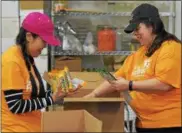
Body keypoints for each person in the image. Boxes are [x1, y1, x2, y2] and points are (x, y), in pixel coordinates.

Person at [84, 3, 181, 133]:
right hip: (144, 124)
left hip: (168, 124)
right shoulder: (139, 54)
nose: (135, 35)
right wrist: (92, 95)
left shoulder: (171, 48)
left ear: (152, 25)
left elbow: (164, 84)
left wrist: (129, 85)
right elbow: (116, 79)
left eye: (137, 29)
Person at [2, 12, 65, 132]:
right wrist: (51, 99)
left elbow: (34, 96)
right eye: (44, 41)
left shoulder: (27, 58)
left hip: (33, 127)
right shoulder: (12, 61)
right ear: (29, 37)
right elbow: (15, 106)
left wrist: (58, 93)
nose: (45, 46)